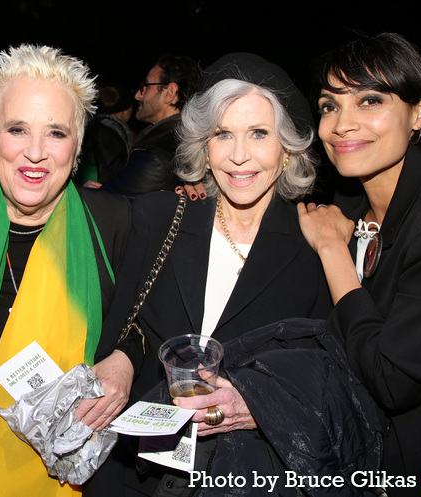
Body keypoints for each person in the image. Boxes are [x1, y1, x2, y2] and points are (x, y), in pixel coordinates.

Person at [80, 53, 384, 496]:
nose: (239, 157)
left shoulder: (318, 246)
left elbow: (335, 377)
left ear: (287, 149)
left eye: (259, 134)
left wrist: (260, 404)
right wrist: (123, 361)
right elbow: (134, 324)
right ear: (204, 145)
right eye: (223, 134)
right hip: (137, 471)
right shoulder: (160, 217)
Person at [0, 44, 131, 497]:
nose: (36, 152)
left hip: (57, 470)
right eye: (18, 129)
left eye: (57, 133)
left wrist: (126, 359)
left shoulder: (115, 222)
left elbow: (148, 316)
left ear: (78, 146)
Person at [297, 33, 421, 496]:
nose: (341, 125)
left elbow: (394, 380)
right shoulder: (350, 199)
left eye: (369, 100)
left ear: (419, 113)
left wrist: (335, 253)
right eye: (329, 106)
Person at [95, 54, 200, 198]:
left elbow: (112, 203)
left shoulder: (156, 154)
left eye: (145, 87)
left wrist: (94, 193)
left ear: (169, 93)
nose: (138, 95)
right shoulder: (182, 136)